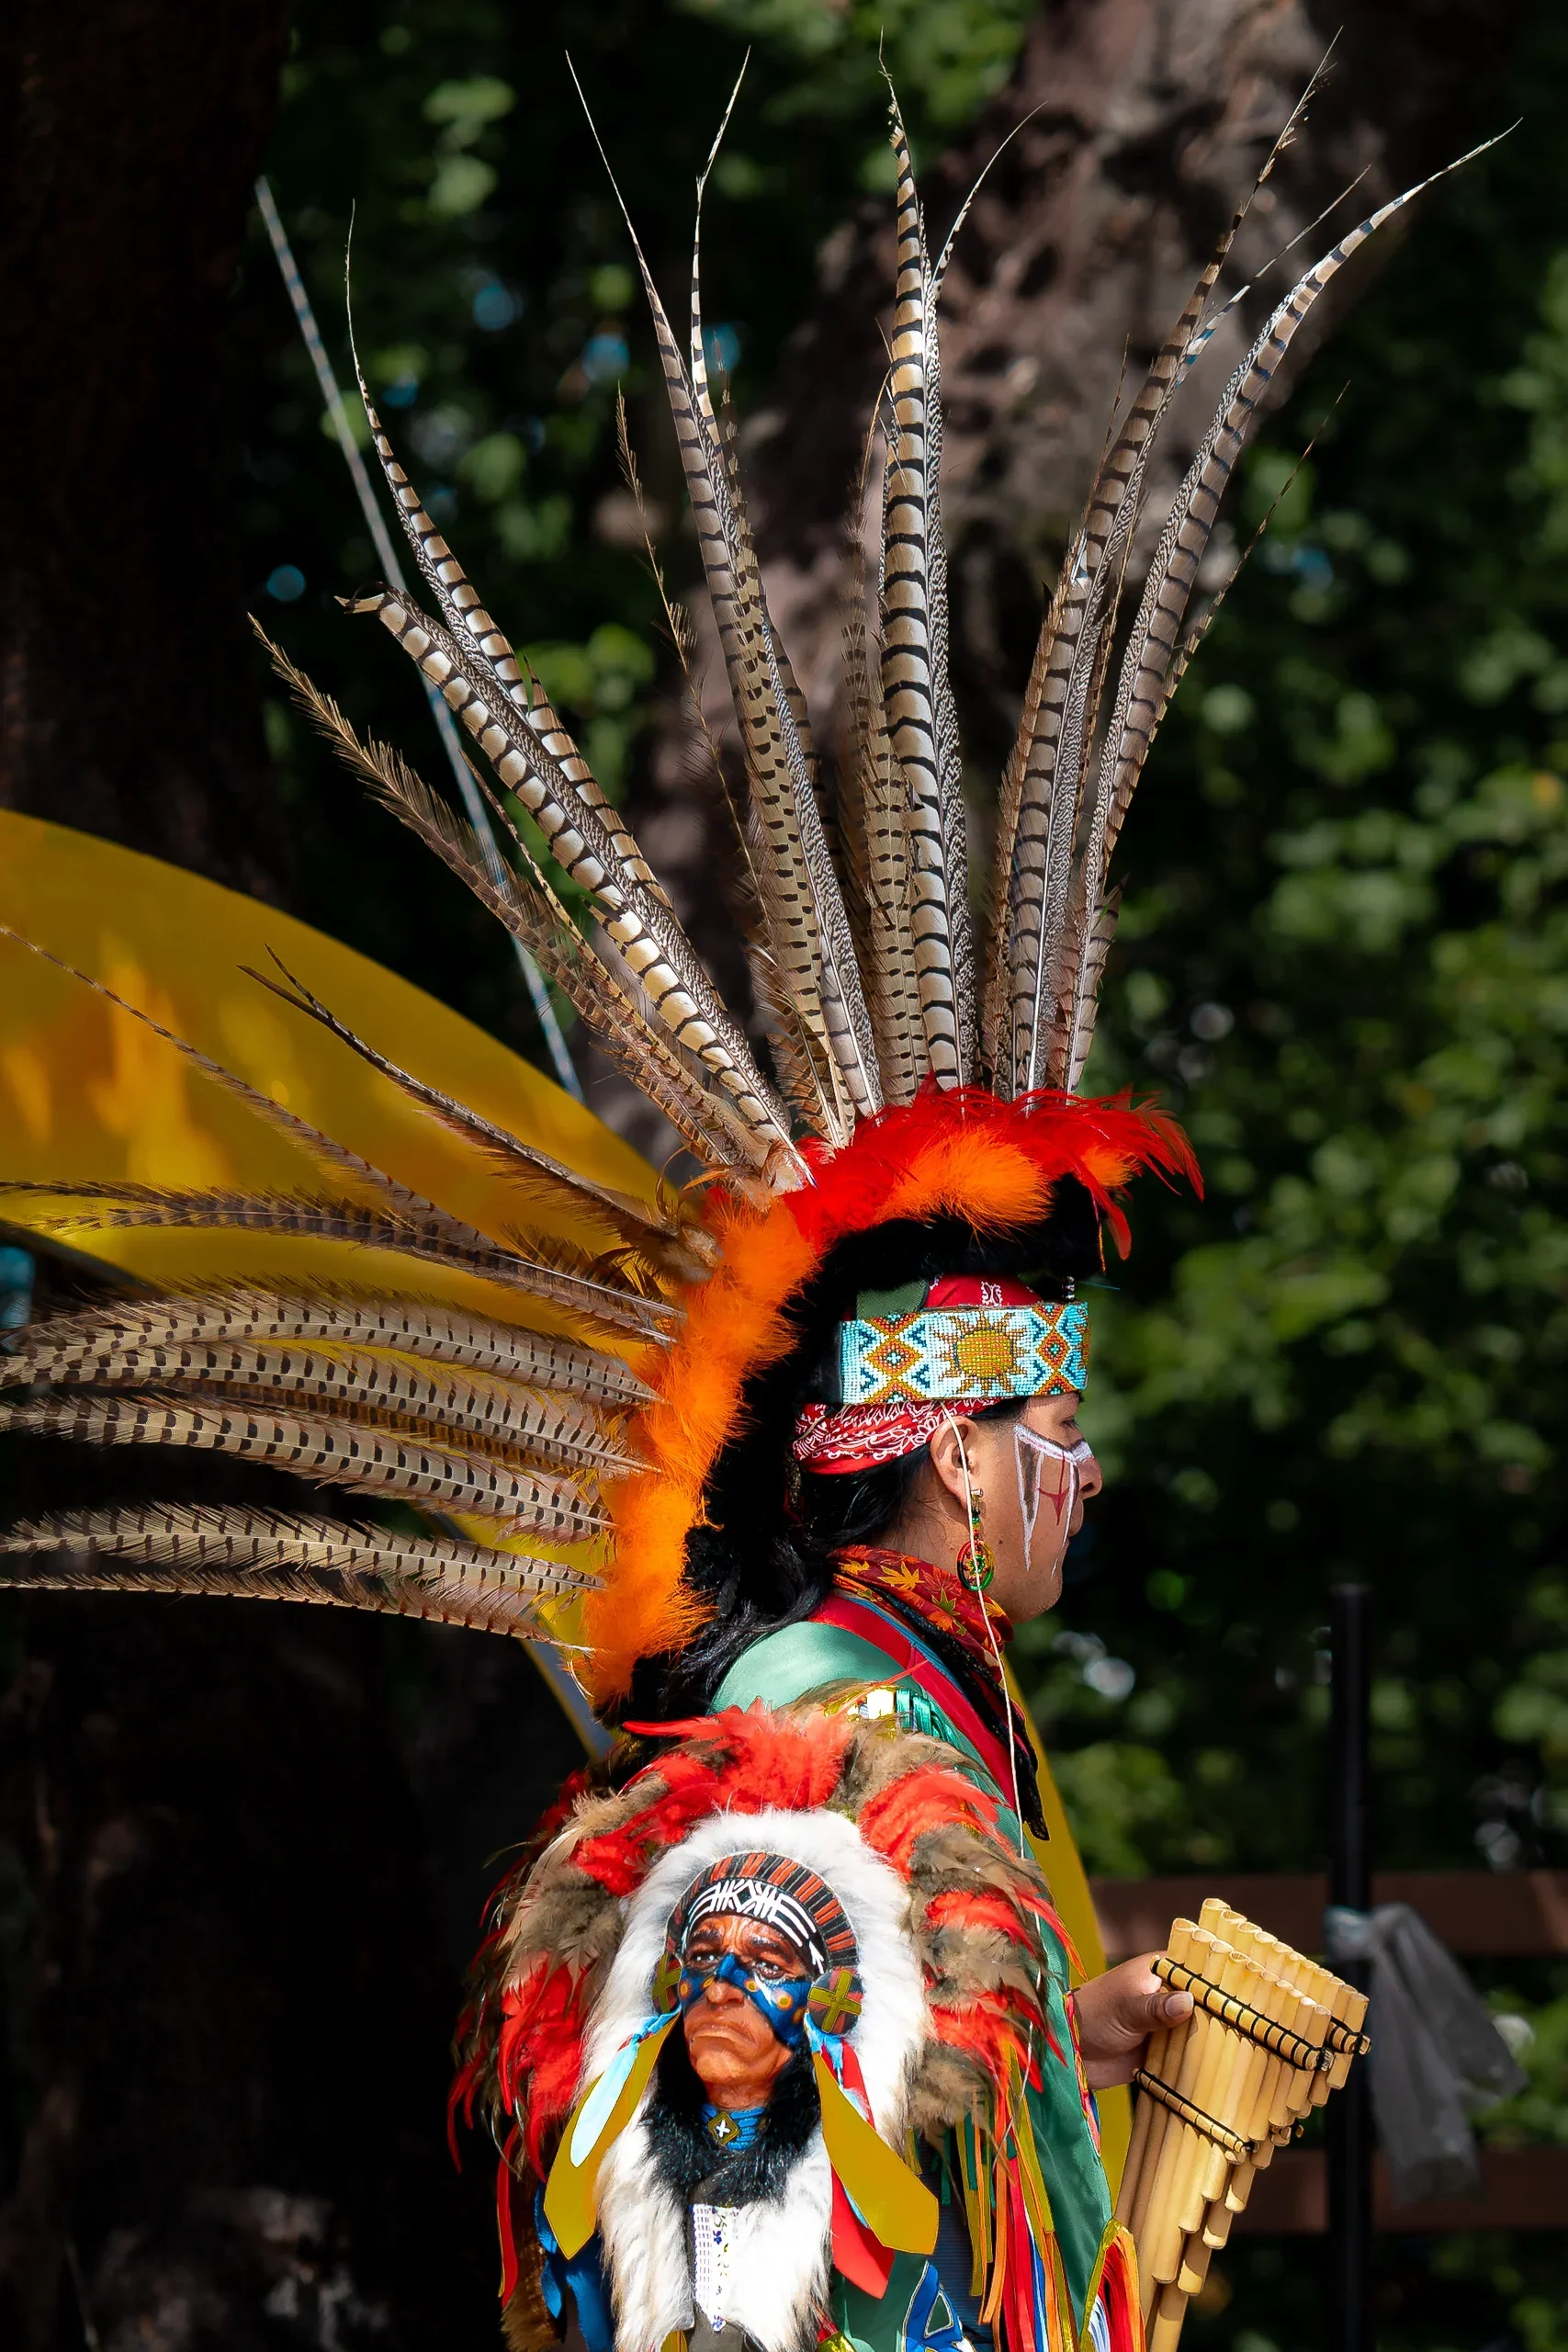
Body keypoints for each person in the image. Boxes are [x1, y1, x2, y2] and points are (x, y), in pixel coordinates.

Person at [0, 75, 1449, 2352]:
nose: (1085, 1473)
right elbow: (734, 2132)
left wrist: (1055, 2040)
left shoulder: (909, 1703)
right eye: (1058, 1427)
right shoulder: (807, 1705)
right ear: (951, 1447)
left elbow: (853, 2050)